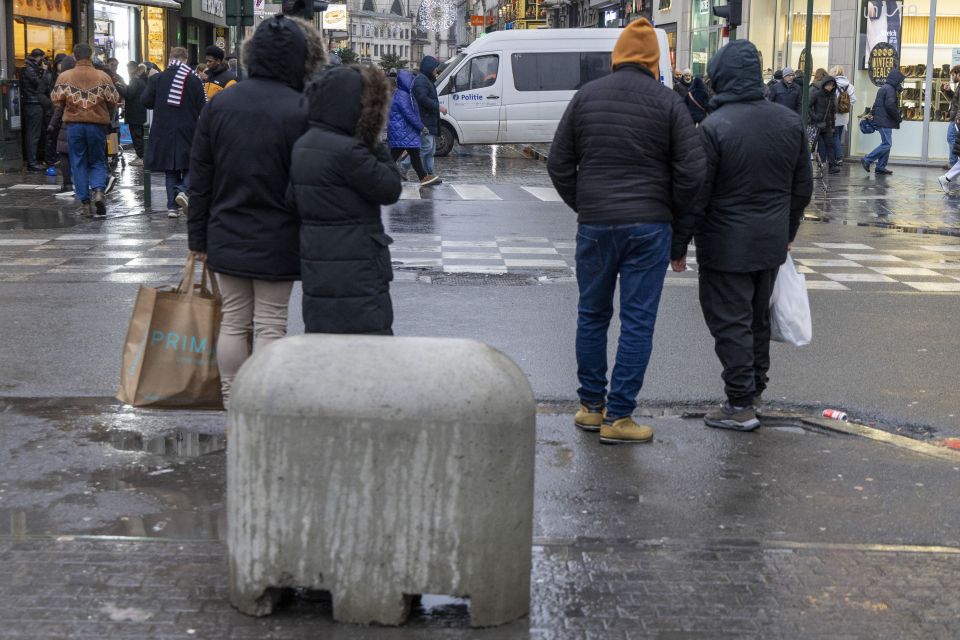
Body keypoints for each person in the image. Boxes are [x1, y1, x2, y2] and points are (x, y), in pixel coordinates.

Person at [547, 18, 705, 445]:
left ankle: (590, 408)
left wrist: (587, 203)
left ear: (616, 57)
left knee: (592, 315)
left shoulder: (586, 97)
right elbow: (693, 172)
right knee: (637, 321)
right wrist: (669, 215)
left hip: (596, 225)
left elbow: (557, 163)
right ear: (654, 60)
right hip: (648, 227)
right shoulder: (669, 103)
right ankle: (619, 417)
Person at [671, 40, 813, 431]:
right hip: (770, 242)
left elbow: (696, 195)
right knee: (756, 320)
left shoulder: (714, 128)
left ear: (721, 79)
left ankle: (739, 403)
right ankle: (753, 393)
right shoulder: (788, 122)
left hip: (724, 243)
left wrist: (678, 245)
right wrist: (788, 231)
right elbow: (803, 187)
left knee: (729, 321)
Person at [188, 14, 326, 406]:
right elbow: (308, 179)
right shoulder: (302, 107)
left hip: (226, 228)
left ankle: (233, 402)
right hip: (280, 234)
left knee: (233, 321)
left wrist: (197, 238)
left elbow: (200, 177)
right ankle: (262, 405)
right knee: (270, 324)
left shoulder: (221, 102)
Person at [291, 64, 402, 335]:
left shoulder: (304, 143)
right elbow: (389, 188)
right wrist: (373, 140)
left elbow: (291, 198)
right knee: (366, 352)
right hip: (358, 269)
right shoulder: (349, 150)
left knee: (326, 348)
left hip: (318, 266)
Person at [50, 43, 120, 218]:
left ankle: (85, 203)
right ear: (91, 55)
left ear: (74, 56)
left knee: (78, 162)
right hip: (97, 125)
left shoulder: (65, 77)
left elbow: (56, 99)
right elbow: (114, 99)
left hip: (74, 125)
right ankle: (98, 190)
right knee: (97, 160)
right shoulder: (102, 76)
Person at [143, 47, 207, 218]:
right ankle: (183, 190)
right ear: (185, 59)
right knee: (190, 165)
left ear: (170, 58)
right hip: (188, 129)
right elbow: (203, 106)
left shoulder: (157, 78)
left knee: (170, 170)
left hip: (163, 130)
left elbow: (146, 101)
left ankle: (172, 207)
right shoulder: (193, 80)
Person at [387, 69, 440, 187]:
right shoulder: (403, 96)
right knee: (402, 155)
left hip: (403, 132)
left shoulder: (402, 94)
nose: (413, 83)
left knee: (410, 154)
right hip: (403, 131)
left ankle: (423, 176)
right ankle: (423, 177)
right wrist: (421, 127)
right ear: (406, 81)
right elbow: (409, 114)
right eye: (411, 81)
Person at [399, 56, 445, 181]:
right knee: (426, 147)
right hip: (424, 120)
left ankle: (429, 174)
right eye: (435, 68)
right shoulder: (422, 80)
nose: (437, 71)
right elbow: (422, 98)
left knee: (430, 149)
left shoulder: (427, 80)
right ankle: (403, 168)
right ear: (429, 68)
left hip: (429, 119)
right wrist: (438, 107)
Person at [861, 67, 904, 176]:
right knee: (887, 144)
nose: (901, 82)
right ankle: (867, 159)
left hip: (883, 119)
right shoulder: (890, 89)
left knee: (886, 143)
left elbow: (876, 104)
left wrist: (873, 114)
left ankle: (881, 167)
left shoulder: (884, 88)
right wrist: (898, 117)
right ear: (896, 79)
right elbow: (890, 106)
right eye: (900, 80)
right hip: (885, 120)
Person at [47, 55, 75, 197]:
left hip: (68, 122)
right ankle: (97, 187)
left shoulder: (64, 79)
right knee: (81, 156)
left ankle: (68, 184)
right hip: (90, 122)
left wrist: (52, 123)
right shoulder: (90, 76)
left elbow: (58, 102)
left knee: (64, 153)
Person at [21, 48, 48, 171]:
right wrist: (44, 71)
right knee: (33, 134)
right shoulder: (30, 70)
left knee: (35, 134)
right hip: (33, 104)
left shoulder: (31, 68)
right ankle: (32, 162)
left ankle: (33, 160)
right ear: (39, 58)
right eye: (42, 59)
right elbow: (41, 84)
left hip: (34, 104)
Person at [808, 73, 840, 174]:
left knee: (829, 145)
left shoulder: (832, 96)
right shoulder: (817, 94)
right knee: (811, 146)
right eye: (828, 85)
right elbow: (808, 106)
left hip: (827, 124)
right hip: (817, 124)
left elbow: (832, 112)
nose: (830, 87)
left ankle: (832, 166)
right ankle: (805, 166)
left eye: (832, 85)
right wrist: (815, 117)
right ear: (824, 84)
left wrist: (833, 126)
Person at [121, 62, 148, 164]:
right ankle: (142, 156)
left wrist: (121, 87)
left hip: (134, 114)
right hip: (141, 113)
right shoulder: (142, 81)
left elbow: (129, 95)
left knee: (136, 136)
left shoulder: (134, 81)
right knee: (140, 135)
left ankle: (141, 157)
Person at [830, 65, 856, 166]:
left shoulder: (832, 84)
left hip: (834, 114)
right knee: (838, 135)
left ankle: (838, 157)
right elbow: (853, 100)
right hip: (844, 115)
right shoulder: (850, 85)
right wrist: (845, 106)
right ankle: (838, 155)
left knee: (834, 136)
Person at [941, 66, 960, 168]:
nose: (952, 78)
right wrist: (949, 91)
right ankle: (954, 162)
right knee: (953, 139)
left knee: (951, 138)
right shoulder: (958, 86)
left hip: (956, 118)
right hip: (955, 117)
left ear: (958, 74)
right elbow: (956, 101)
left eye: (953, 75)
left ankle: (954, 163)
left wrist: (958, 118)